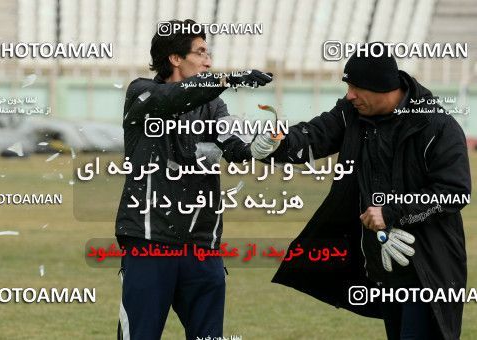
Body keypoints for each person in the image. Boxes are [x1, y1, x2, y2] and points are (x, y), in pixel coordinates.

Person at [252, 42, 471, 339]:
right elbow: (315, 135)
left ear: (382, 87)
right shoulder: (352, 113)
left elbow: (455, 192)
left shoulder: (436, 125)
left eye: (355, 87)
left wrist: (393, 212)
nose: (349, 95)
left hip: (429, 270)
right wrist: (279, 144)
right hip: (385, 267)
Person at [114, 19, 276, 340]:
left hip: (203, 246)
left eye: (209, 53)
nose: (209, 61)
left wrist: (257, 149)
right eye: (201, 53)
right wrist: (229, 78)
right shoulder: (141, 93)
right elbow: (174, 97)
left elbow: (233, 147)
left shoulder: (214, 104)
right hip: (150, 242)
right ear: (175, 58)